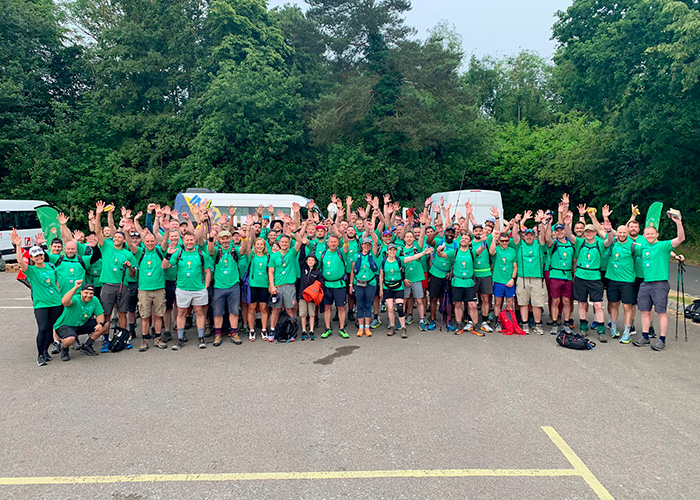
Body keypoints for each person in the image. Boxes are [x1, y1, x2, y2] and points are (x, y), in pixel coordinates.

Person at [633, 210, 685, 350]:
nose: (649, 236)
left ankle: (662, 340)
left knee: (661, 312)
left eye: (652, 234)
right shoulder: (643, 248)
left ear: (657, 234)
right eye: (647, 234)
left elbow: (680, 239)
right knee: (644, 311)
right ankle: (645, 337)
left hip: (660, 283)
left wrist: (678, 223)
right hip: (646, 282)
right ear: (644, 236)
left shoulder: (663, 245)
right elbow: (627, 242)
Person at [11, 230, 63, 366]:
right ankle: (40, 355)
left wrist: (59, 294)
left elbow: (55, 282)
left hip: (55, 302)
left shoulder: (51, 266)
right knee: (43, 328)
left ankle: (46, 352)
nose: (39, 257)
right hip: (41, 304)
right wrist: (18, 246)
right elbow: (20, 262)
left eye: (40, 254)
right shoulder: (31, 270)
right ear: (32, 259)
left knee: (51, 327)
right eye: (36, 256)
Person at [94, 201, 137, 352]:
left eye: (120, 237)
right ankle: (105, 340)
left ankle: (122, 338)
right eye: (115, 237)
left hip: (122, 286)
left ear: (124, 240)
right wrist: (99, 214)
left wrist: (130, 267)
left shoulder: (128, 254)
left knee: (122, 314)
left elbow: (133, 274)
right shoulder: (107, 247)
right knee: (106, 314)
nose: (117, 238)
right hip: (107, 285)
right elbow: (98, 232)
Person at [163, 232, 212, 350]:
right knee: (181, 313)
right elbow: (164, 266)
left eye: (191, 240)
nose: (189, 242)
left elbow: (207, 271)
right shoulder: (178, 253)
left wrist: (205, 287)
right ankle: (180, 339)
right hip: (182, 288)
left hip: (198, 289)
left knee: (199, 312)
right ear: (183, 241)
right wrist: (168, 254)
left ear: (195, 241)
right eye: (187, 240)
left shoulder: (201, 254)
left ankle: (201, 338)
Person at [379, 243, 432, 338]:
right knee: (390, 308)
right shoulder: (383, 261)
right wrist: (381, 289)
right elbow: (381, 276)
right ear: (387, 251)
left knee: (399, 307)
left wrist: (423, 253)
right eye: (390, 250)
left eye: (394, 250)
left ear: (396, 251)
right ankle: (392, 327)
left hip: (398, 286)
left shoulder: (400, 260)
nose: (392, 252)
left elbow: (412, 257)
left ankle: (403, 328)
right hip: (387, 287)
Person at [566, 221, 607, 342]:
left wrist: (608, 231)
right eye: (587, 231)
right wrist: (568, 224)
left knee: (598, 305)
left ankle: (601, 330)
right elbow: (569, 235)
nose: (589, 233)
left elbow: (609, 240)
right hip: (580, 276)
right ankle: (583, 327)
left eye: (591, 231)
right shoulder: (580, 242)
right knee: (581, 304)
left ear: (595, 232)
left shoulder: (600, 243)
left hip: (595, 277)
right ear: (584, 233)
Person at [511, 211, 548, 335]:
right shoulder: (520, 245)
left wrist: (540, 223)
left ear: (534, 236)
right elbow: (515, 234)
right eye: (526, 235)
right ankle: (525, 323)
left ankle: (538, 324)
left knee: (537, 304)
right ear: (524, 236)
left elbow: (543, 236)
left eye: (531, 235)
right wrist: (517, 221)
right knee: (523, 303)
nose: (529, 237)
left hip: (537, 278)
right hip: (522, 278)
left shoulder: (539, 245)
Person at [208, 229, 247, 346]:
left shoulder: (234, 250)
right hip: (219, 286)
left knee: (234, 311)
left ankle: (234, 333)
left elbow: (243, 249)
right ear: (219, 240)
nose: (225, 240)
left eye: (227, 238)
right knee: (218, 312)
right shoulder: (216, 251)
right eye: (222, 238)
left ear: (230, 239)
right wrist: (210, 238)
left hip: (233, 285)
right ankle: (217, 335)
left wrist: (244, 237)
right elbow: (210, 250)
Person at [134, 228, 170, 351]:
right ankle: (144, 340)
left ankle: (158, 339)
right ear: (144, 242)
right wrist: (127, 232)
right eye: (147, 241)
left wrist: (167, 229)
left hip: (159, 289)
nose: (150, 243)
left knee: (159, 315)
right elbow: (129, 243)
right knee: (145, 316)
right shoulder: (141, 252)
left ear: (155, 242)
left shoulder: (160, 251)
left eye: (152, 241)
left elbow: (165, 241)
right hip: (144, 290)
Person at [268, 223, 305, 339]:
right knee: (275, 309)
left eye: (286, 242)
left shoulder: (292, 253)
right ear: (279, 243)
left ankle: (292, 331)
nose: (284, 244)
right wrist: (272, 286)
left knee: (290, 309)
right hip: (278, 286)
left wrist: (294, 232)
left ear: (289, 244)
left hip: (289, 286)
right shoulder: (274, 256)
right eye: (282, 242)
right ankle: (272, 330)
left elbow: (299, 242)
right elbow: (271, 272)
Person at [53, 281, 106, 361]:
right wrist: (75, 287)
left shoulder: (94, 300)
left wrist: (100, 324)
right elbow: (64, 302)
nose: (88, 295)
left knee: (105, 325)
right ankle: (65, 349)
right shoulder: (75, 299)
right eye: (86, 293)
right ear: (81, 292)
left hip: (81, 324)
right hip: (66, 325)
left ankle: (87, 345)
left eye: (91, 293)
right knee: (70, 339)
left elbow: (100, 314)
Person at [604, 225, 639, 343]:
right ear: (616, 233)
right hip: (612, 279)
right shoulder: (612, 243)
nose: (622, 234)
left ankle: (626, 332)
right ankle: (613, 328)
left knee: (626, 306)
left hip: (627, 281)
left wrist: (674, 255)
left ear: (628, 233)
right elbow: (601, 232)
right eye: (620, 232)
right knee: (613, 304)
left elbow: (650, 251)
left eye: (624, 232)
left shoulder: (633, 246)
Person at [439, 235, 480, 335]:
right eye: (462, 238)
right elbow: (441, 255)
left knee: (473, 305)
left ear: (470, 242)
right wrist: (439, 250)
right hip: (457, 282)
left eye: (466, 239)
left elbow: (482, 248)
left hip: (469, 282)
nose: (463, 240)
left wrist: (483, 241)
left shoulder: (472, 251)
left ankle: (475, 325)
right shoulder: (455, 251)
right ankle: (459, 324)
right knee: (458, 304)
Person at [544, 221, 575, 335]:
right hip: (555, 276)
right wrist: (548, 225)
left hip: (567, 276)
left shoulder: (571, 244)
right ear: (555, 233)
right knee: (555, 301)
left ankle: (566, 324)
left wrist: (574, 276)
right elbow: (547, 238)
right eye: (557, 231)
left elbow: (574, 261)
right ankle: (555, 323)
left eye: (562, 230)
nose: (560, 232)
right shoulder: (554, 244)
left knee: (566, 301)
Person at [349, 234, 379, 337]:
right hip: (358, 283)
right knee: (360, 305)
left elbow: (376, 241)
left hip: (370, 283)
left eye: (368, 245)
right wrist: (350, 284)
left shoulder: (373, 255)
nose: (366, 246)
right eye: (365, 244)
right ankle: (361, 327)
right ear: (361, 245)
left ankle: (367, 327)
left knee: (368, 305)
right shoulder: (356, 256)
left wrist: (371, 230)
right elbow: (353, 271)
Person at [320, 235, 349, 339]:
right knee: (327, 307)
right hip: (327, 285)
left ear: (338, 243)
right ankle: (327, 328)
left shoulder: (341, 252)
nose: (333, 243)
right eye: (331, 241)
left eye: (335, 242)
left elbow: (346, 243)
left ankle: (342, 328)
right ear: (327, 243)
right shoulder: (323, 254)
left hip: (339, 285)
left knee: (341, 307)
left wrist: (343, 234)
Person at [245, 231, 271, 342]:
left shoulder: (268, 257)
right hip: (252, 285)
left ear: (264, 246)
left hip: (264, 286)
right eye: (257, 244)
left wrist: (270, 284)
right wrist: (248, 230)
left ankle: (264, 329)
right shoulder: (251, 255)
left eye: (261, 244)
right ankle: (251, 330)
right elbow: (247, 243)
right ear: (254, 246)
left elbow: (270, 272)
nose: (259, 246)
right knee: (251, 308)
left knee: (263, 309)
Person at [489, 228, 517, 326]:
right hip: (498, 280)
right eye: (502, 241)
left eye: (506, 241)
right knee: (498, 302)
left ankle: (509, 321)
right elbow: (491, 252)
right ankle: (498, 322)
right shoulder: (496, 249)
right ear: (499, 241)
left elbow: (515, 267)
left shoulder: (513, 251)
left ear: (509, 241)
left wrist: (512, 279)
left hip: (509, 280)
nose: (504, 243)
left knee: (509, 302)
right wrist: (494, 238)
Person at [298, 254, 322, 340]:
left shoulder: (317, 273)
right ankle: (304, 330)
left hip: (312, 296)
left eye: (312, 260)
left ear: (315, 262)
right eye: (309, 260)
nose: (310, 262)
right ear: (306, 261)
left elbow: (320, 284)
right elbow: (301, 258)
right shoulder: (303, 269)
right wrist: (303, 246)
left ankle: (311, 330)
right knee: (303, 314)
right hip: (302, 295)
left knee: (312, 314)